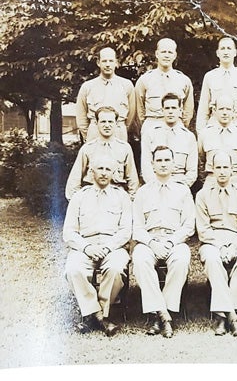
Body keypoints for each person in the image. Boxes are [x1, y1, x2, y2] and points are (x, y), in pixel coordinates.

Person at [63, 154, 131, 337]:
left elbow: (126, 231)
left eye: (108, 169)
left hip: (113, 247)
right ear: (91, 171)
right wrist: (86, 247)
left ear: (114, 173)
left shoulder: (122, 197)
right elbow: (68, 232)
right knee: (73, 269)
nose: (103, 173)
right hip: (85, 246)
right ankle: (100, 317)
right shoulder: (79, 197)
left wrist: (108, 247)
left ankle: (94, 314)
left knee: (116, 268)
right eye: (100, 168)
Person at [131, 146, 194, 338]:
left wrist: (171, 242)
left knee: (181, 260)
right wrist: (152, 243)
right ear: (152, 165)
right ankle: (165, 316)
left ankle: (160, 313)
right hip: (149, 241)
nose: (163, 164)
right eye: (159, 160)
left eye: (167, 160)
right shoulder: (142, 192)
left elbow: (189, 225)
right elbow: (137, 227)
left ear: (174, 164)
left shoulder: (182, 191)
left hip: (174, 241)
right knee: (140, 259)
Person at [195, 151, 237, 337]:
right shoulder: (202, 195)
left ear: (232, 170)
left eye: (225, 167)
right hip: (212, 242)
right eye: (218, 167)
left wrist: (234, 246)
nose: (222, 171)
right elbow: (203, 229)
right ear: (212, 170)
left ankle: (223, 316)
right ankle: (232, 318)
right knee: (213, 260)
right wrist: (221, 247)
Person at [65, 107, 138, 201]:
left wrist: (129, 202)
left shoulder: (125, 148)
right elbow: (74, 181)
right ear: (96, 123)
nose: (107, 125)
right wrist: (79, 203)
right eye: (103, 122)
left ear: (116, 124)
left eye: (110, 122)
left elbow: (133, 180)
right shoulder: (87, 149)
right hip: (92, 198)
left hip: (117, 199)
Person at [134, 38, 193, 140]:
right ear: (157, 54)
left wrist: (180, 124)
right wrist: (147, 124)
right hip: (152, 125)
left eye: (170, 52)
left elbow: (188, 109)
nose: (166, 55)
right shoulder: (145, 79)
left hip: (176, 127)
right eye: (163, 52)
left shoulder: (183, 80)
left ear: (174, 55)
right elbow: (139, 110)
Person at [196, 37, 237, 132]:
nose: (226, 52)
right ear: (217, 53)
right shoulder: (210, 76)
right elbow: (203, 109)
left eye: (229, 48)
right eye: (222, 48)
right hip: (215, 126)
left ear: (235, 52)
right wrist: (200, 132)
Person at [75, 47, 135, 142]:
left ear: (116, 62)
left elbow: (131, 114)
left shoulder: (126, 85)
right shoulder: (88, 87)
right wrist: (90, 135)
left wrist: (121, 129)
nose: (107, 65)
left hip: (119, 132)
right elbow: (81, 117)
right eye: (104, 61)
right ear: (98, 63)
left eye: (111, 61)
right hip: (95, 133)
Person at [140, 93, 198, 187]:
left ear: (180, 110)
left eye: (174, 108)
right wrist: (155, 186)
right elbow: (146, 167)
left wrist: (180, 187)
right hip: (155, 185)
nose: (170, 112)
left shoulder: (189, 137)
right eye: (167, 108)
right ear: (162, 110)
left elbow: (192, 171)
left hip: (180, 185)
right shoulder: (150, 134)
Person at [197, 95, 237, 188]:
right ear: (214, 111)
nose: (224, 113)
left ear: (233, 111)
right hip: (212, 181)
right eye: (221, 109)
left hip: (236, 181)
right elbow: (201, 160)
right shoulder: (205, 134)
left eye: (228, 109)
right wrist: (210, 178)